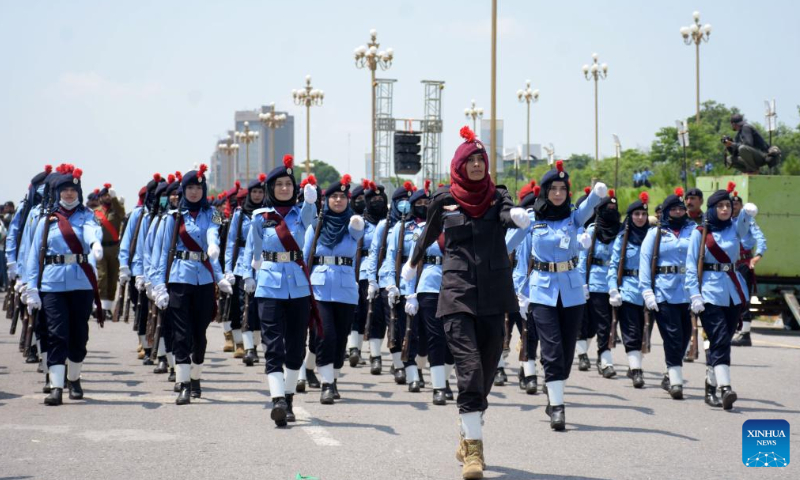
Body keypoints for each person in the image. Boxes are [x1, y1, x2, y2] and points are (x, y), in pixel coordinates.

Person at [403, 126, 530, 479]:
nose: (476, 165)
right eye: (470, 160)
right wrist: (412, 264)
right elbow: (429, 233)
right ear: (459, 164)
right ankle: (474, 453)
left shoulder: (497, 195)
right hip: (456, 291)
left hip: (494, 293)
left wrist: (516, 216)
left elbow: (506, 214)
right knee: (470, 369)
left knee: (487, 370)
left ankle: (467, 429)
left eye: (480, 160)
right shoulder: (444, 198)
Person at [508, 161, 607, 432]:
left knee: (565, 351)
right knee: (551, 350)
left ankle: (554, 394)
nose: (559, 194)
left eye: (563, 189)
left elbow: (587, 210)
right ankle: (559, 408)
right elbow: (510, 246)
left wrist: (597, 195)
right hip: (541, 290)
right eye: (554, 188)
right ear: (545, 191)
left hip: (572, 291)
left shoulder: (573, 216)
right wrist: (513, 220)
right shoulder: (534, 218)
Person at [243, 155, 318, 426]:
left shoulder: (302, 213)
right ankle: (277, 400)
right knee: (273, 345)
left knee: (296, 347)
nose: (284, 188)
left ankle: (288, 398)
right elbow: (252, 249)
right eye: (279, 184)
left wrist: (309, 200)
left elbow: (312, 218)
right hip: (269, 285)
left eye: (289, 184)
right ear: (271, 188)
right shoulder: (259, 217)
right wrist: (248, 275)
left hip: (298, 287)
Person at [151, 164, 232, 405]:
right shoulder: (172, 217)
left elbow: (215, 235)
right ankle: (184, 383)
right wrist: (158, 285)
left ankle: (196, 376)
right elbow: (161, 252)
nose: (194, 192)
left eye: (198, 187)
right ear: (183, 190)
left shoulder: (213, 213)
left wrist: (220, 277)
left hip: (205, 278)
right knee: (181, 333)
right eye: (190, 188)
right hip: (179, 278)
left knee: (200, 334)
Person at [25, 166, 105, 406]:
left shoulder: (87, 216)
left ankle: (74, 378)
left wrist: (95, 244)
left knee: (79, 335)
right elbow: (33, 256)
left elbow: (92, 231)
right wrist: (31, 287)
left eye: (73, 190)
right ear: (58, 192)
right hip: (52, 283)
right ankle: (56, 386)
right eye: (65, 190)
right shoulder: (46, 219)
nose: (69, 194)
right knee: (57, 334)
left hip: (81, 281)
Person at [686, 182, 757, 410]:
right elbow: (690, 267)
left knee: (723, 340)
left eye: (728, 206)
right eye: (721, 206)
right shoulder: (700, 233)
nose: (725, 210)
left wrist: (746, 212)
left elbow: (746, 227)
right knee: (718, 337)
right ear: (712, 208)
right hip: (709, 292)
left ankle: (710, 385)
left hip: (733, 293)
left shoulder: (735, 228)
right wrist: (694, 295)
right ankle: (725, 387)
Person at [303, 174, 365, 404]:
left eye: (342, 197)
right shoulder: (316, 227)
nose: (338, 201)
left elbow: (359, 230)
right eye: (334, 197)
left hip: (346, 289)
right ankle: (326, 384)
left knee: (340, 339)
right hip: (319, 288)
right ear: (326, 200)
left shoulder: (352, 226)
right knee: (324, 335)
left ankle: (334, 378)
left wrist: (357, 222)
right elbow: (306, 257)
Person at [639, 187, 696, 401]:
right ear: (666, 212)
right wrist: (647, 290)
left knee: (684, 334)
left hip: (688, 291)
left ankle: (669, 372)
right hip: (664, 290)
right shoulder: (655, 233)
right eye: (674, 210)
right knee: (672, 335)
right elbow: (645, 262)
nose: (679, 213)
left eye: (681, 209)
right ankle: (676, 380)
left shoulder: (694, 231)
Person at [608, 192, 651, 388]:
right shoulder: (622, 238)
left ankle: (635, 363)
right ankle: (636, 370)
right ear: (630, 216)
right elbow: (614, 265)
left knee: (645, 331)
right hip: (629, 289)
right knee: (631, 331)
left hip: (650, 292)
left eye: (643, 214)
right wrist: (613, 289)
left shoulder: (653, 237)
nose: (640, 218)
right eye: (636, 214)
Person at [224, 175, 267, 366]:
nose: (257, 195)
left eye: (260, 192)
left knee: (262, 307)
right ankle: (249, 347)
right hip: (243, 264)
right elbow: (231, 241)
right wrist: (228, 268)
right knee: (245, 306)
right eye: (254, 192)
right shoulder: (239, 214)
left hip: (265, 264)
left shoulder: (269, 213)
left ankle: (258, 345)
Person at [578, 189, 621, 379]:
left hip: (616, 285)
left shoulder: (621, 232)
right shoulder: (592, 230)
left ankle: (601, 357)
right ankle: (593, 356)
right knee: (595, 323)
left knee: (603, 324)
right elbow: (582, 259)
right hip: (594, 282)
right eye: (608, 207)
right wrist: (582, 284)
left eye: (614, 207)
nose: (611, 210)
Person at [345, 180, 385, 368]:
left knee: (377, 315)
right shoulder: (361, 223)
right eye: (373, 198)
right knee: (357, 311)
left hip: (384, 273)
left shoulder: (388, 223)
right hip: (361, 272)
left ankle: (376, 355)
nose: (377, 201)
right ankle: (354, 349)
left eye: (380, 198)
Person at [730, 191, 767, 347]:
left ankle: (745, 334)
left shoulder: (748, 221)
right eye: (731, 204)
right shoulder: (725, 221)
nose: (733, 207)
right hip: (729, 264)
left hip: (744, 263)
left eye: (737, 204)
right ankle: (732, 330)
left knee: (744, 296)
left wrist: (757, 256)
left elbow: (761, 238)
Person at [93, 183, 125, 319]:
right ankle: (99, 306)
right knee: (102, 277)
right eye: (104, 195)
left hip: (114, 248)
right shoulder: (95, 212)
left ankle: (108, 306)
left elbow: (122, 213)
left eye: (108, 195)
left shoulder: (116, 210)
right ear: (100, 198)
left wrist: (114, 198)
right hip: (100, 248)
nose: (107, 197)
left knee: (112, 278)